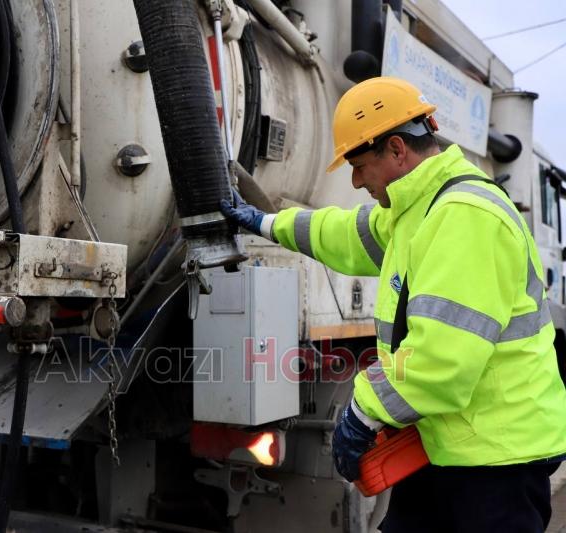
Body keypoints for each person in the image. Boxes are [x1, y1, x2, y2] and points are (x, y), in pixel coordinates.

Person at [220, 76, 566, 532]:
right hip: (447, 447)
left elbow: (439, 361)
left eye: (360, 165)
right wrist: (266, 223)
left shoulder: (465, 218)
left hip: (494, 466)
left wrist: (360, 413)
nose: (357, 180)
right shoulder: (417, 212)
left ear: (398, 149)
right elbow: (343, 233)